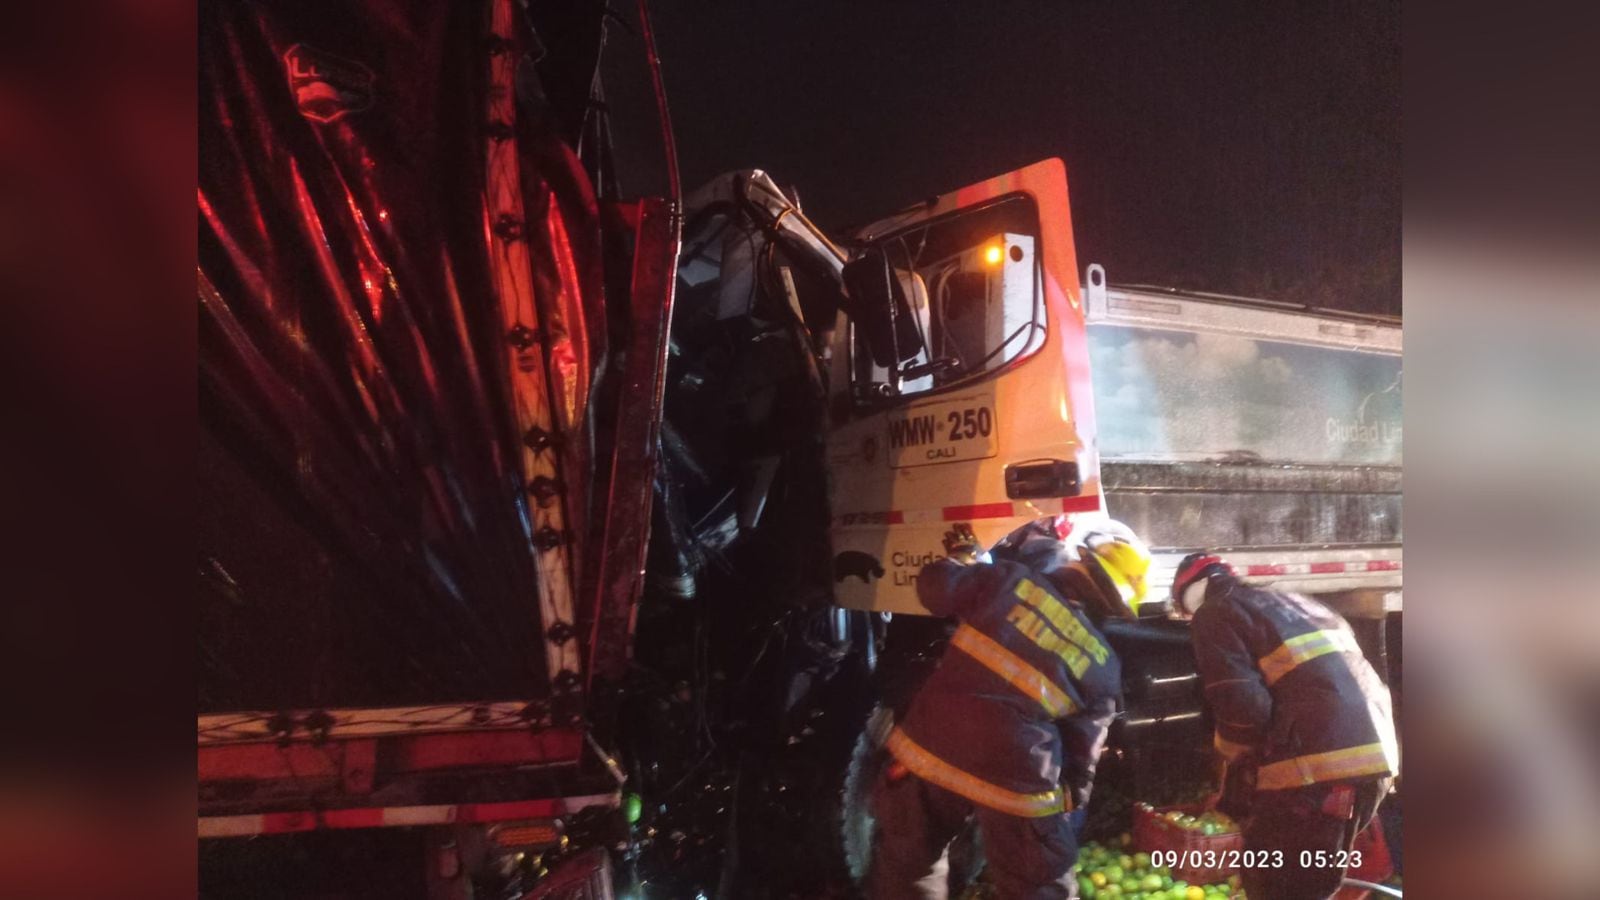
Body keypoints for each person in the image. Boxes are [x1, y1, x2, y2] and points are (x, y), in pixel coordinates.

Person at [868, 518, 1153, 900]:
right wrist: (1056, 818)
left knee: (908, 867)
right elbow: (1080, 760)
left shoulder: (1009, 580)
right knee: (1035, 884)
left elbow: (935, 590)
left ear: (1081, 561)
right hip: (1016, 779)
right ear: (1115, 604)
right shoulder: (1104, 666)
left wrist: (963, 559)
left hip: (930, 749)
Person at [1169, 552, 1399, 900]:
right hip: (1373, 763)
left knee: (1274, 885)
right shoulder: (1298, 604)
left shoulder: (1214, 612)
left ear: (1189, 596)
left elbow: (1243, 710)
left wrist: (1226, 755)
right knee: (1308, 885)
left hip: (1317, 773)